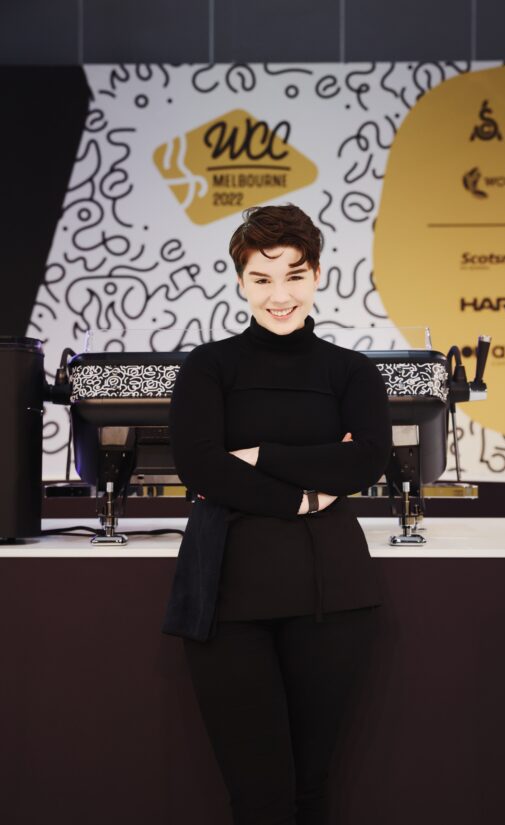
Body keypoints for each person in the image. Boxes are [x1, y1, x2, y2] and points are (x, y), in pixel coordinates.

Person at [166, 204, 392, 825]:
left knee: (310, 794)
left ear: (317, 275)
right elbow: (202, 467)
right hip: (226, 599)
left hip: (333, 597)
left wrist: (260, 455)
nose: (280, 295)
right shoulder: (208, 366)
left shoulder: (352, 371)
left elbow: (366, 462)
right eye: (262, 279)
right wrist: (304, 494)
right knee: (259, 798)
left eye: (294, 275)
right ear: (240, 282)